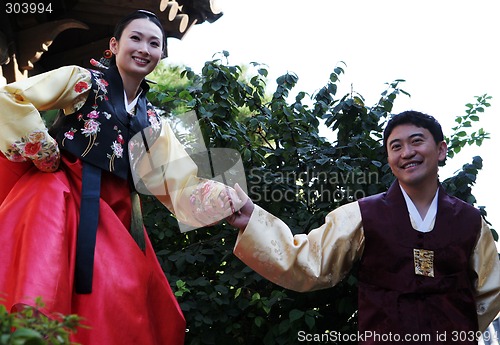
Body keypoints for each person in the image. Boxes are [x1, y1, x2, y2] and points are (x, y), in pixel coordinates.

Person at [0, 10, 242, 345]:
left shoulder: (155, 122)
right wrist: (43, 150)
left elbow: (181, 185)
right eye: (135, 38)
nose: (144, 48)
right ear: (114, 45)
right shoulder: (83, 80)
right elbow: (10, 98)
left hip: (113, 218)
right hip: (59, 196)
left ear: (161, 54)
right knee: (42, 284)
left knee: (120, 300)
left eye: (154, 43)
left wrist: (226, 198)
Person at [227, 111, 500, 344]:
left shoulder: (470, 222)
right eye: (396, 147)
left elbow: (491, 290)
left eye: (416, 142)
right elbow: (309, 259)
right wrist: (253, 219)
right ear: (390, 159)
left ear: (441, 149)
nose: (407, 153)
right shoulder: (362, 215)